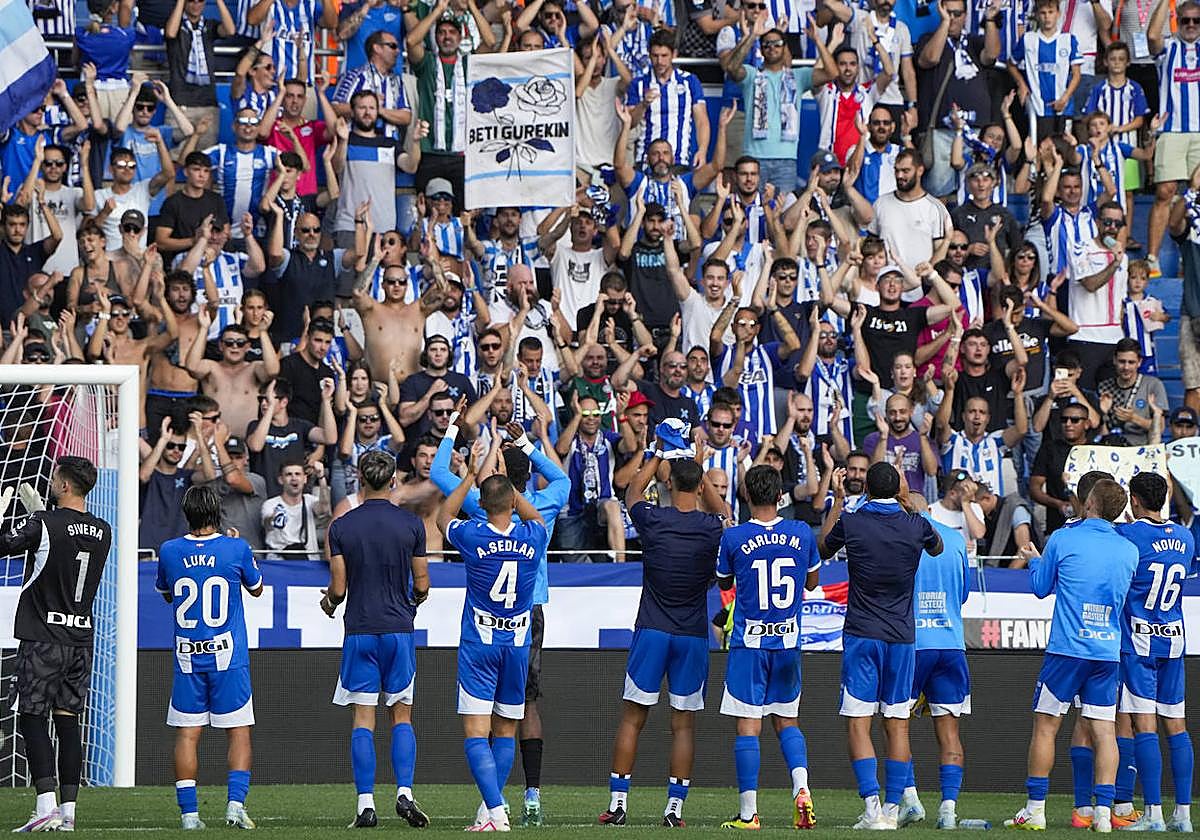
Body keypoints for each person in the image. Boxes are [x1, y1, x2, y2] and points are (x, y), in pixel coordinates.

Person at [431, 412, 569, 826]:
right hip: (519, 641)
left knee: (476, 731)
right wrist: (513, 489)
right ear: (514, 499)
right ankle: (495, 806)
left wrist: (473, 476)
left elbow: (441, 519)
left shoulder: (472, 533)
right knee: (508, 727)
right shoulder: (534, 535)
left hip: (480, 643)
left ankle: (494, 809)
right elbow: (538, 517)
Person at [598, 445, 727, 827]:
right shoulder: (710, 527)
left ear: (668, 482)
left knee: (632, 719)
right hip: (691, 634)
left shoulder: (654, 520)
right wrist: (699, 468)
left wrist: (656, 454)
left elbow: (630, 493)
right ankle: (675, 810)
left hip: (653, 629)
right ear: (701, 486)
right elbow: (724, 513)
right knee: (683, 724)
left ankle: (619, 805)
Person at [1005, 478, 1138, 832]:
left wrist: (1034, 560)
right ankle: (1105, 815)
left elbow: (1039, 588)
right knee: (1105, 732)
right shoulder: (1129, 551)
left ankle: (1035, 810)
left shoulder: (1064, 538)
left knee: (1046, 727)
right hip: (1106, 652)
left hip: (1067, 650)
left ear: (1089, 503)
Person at [819, 462, 943, 830]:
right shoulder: (916, 524)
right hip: (902, 637)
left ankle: (873, 808)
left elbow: (823, 550)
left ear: (867, 490)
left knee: (859, 723)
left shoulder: (853, 520)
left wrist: (839, 501)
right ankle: (891, 810)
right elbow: (935, 547)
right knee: (897, 725)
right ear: (899, 488)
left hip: (861, 634)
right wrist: (908, 504)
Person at [320, 450, 431, 829]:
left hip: (360, 630)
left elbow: (338, 587)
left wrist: (329, 603)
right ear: (394, 481)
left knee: (363, 719)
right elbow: (422, 583)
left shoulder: (341, 526)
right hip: (398, 629)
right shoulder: (412, 525)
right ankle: (405, 793)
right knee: (401, 714)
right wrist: (411, 602)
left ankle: (365, 805)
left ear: (360, 481)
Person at [0, 458, 110, 833]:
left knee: (31, 715)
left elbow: (6, 545)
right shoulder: (103, 529)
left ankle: (44, 803)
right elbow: (66, 546)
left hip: (44, 636)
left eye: (53, 477)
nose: (49, 481)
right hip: (80, 638)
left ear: (64, 485)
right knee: (67, 721)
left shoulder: (43, 523)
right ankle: (68, 813)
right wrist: (41, 519)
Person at [715, 465, 820, 831]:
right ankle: (802, 789)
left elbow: (724, 583)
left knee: (749, 727)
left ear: (745, 496)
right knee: (787, 722)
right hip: (788, 642)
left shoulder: (734, 538)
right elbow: (812, 582)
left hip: (750, 643)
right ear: (780, 497)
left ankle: (748, 814)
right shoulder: (801, 532)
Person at [156, 485, 262, 830]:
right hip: (227, 656)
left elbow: (169, 595)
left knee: (187, 735)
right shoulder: (236, 548)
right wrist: (233, 547)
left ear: (187, 513)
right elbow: (256, 587)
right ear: (218, 512)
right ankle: (234, 808)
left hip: (188, 656)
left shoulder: (169, 551)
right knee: (238, 731)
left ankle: (189, 816)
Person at [1112, 473, 1195, 832]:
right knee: (1176, 725)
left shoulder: (1129, 535)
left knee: (1143, 724)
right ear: (1165, 498)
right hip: (1174, 638)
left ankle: (1154, 814)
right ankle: (1184, 815)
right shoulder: (1186, 537)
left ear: (1134, 499)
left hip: (1139, 641)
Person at [904, 501, 971, 829]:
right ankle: (948, 810)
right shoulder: (955, 539)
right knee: (949, 731)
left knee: (896, 723)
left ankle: (911, 798)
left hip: (914, 645)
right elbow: (963, 595)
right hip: (951, 644)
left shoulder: (903, 537)